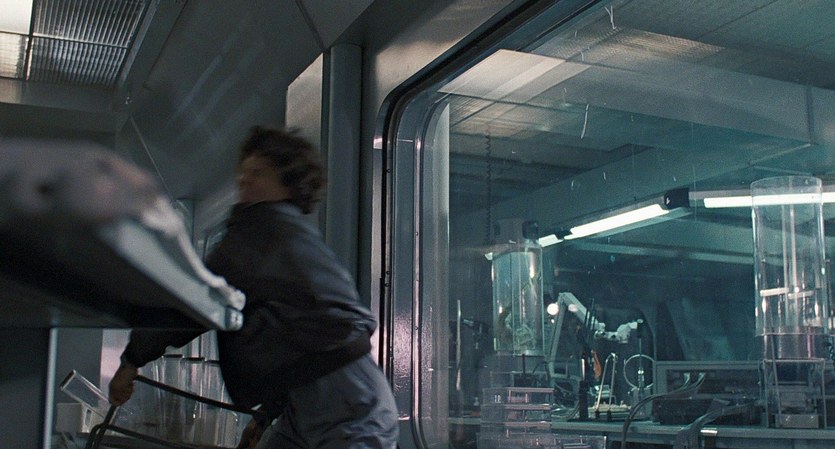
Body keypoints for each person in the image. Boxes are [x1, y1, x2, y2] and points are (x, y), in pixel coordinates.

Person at [109, 126, 399, 449]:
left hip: (349, 407)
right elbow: (297, 340)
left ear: (287, 185)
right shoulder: (288, 234)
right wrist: (266, 414)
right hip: (318, 404)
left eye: (258, 173)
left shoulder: (263, 233)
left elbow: (194, 302)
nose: (244, 180)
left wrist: (132, 360)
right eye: (243, 172)